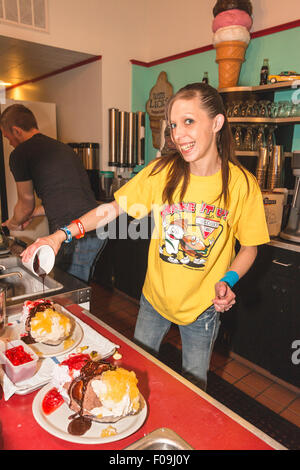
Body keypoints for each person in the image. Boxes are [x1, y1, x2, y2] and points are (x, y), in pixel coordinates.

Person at [21, 83, 270, 390]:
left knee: (194, 385)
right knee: (135, 372)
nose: (178, 134)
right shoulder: (163, 171)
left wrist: (228, 280)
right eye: (174, 125)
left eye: (189, 122)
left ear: (217, 123)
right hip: (155, 299)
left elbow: (249, 248)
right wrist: (60, 236)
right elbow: (110, 210)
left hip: (203, 307)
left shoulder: (242, 186)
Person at [0, 104, 106, 283]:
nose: (9, 143)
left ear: (16, 131)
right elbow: (63, 197)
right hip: (96, 227)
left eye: (8, 137)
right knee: (76, 285)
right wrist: (33, 214)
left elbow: (26, 203)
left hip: (73, 233)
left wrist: (14, 223)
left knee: (68, 291)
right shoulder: (62, 148)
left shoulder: (20, 154)